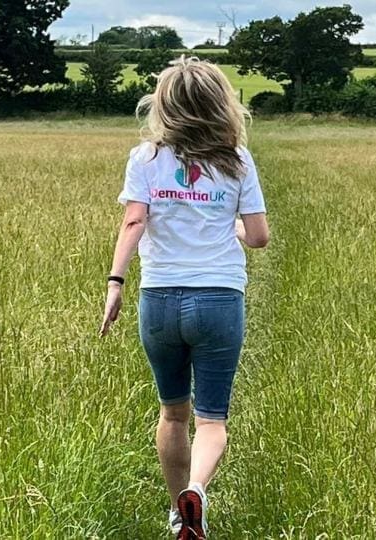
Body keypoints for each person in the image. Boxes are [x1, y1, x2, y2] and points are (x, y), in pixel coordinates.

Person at [99, 56, 270, 539]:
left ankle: (179, 514)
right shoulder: (237, 160)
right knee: (211, 420)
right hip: (218, 299)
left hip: (159, 300)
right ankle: (197, 488)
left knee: (172, 412)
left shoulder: (145, 159)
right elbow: (258, 237)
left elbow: (134, 222)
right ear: (221, 104)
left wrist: (116, 283)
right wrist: (232, 225)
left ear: (166, 104)